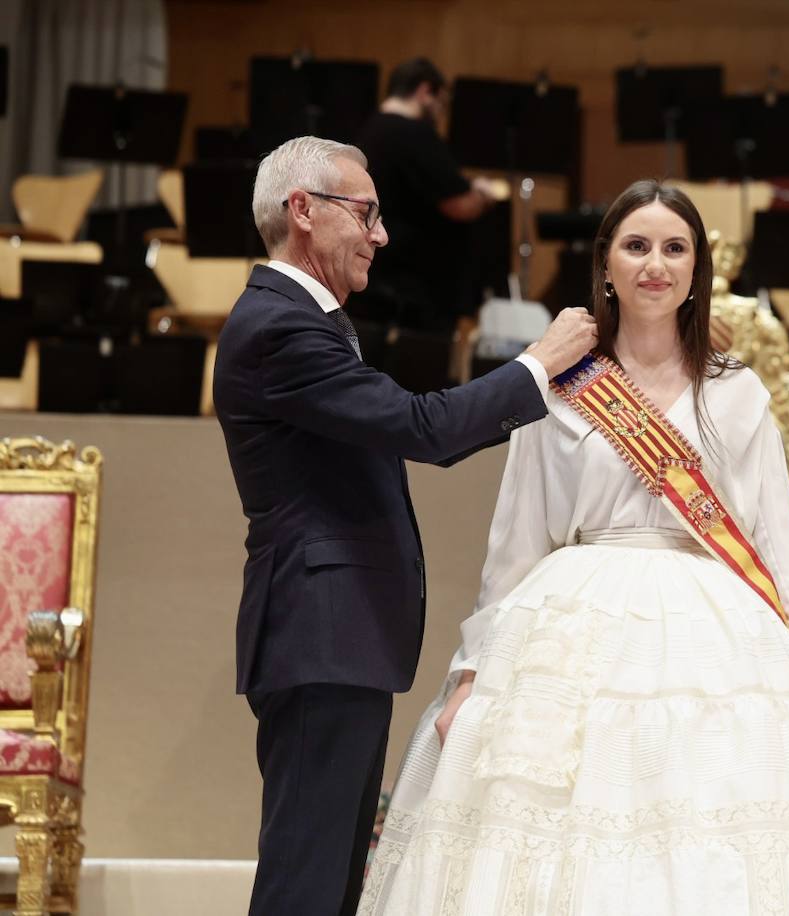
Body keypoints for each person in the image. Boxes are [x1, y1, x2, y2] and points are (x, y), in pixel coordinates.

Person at [359, 179, 789, 915]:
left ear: (696, 272)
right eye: (637, 246)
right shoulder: (559, 387)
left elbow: (777, 542)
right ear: (607, 266)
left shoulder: (738, 391)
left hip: (718, 621)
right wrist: (470, 672)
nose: (656, 264)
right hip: (570, 618)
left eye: (675, 248)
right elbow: (518, 540)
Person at [213, 135, 596, 916]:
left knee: (329, 880)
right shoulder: (279, 326)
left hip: (335, 639)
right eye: (368, 214)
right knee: (306, 881)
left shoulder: (301, 320)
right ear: (304, 211)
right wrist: (538, 364)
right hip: (320, 635)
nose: (381, 236)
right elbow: (423, 428)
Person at [353, 57, 498, 333]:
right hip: (415, 289)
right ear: (424, 92)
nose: (441, 114)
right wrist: (482, 194)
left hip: (377, 273)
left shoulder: (370, 129)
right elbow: (459, 205)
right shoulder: (414, 133)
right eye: (441, 103)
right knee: (421, 372)